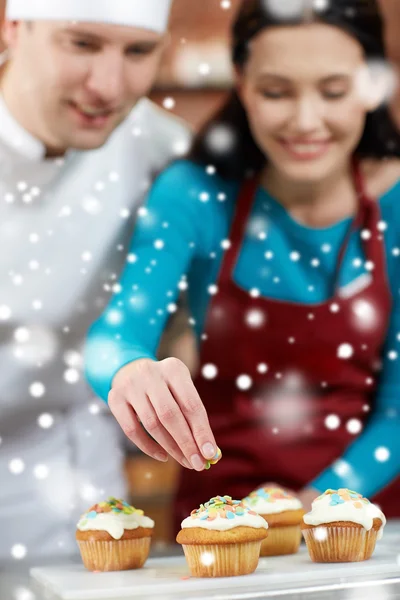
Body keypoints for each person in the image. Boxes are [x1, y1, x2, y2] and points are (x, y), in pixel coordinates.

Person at [85, 0, 400, 532]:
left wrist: (319, 499)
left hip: (363, 527)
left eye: (334, 91)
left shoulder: (395, 204)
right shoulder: (194, 196)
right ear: (241, 80)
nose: (306, 121)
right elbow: (117, 332)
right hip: (219, 524)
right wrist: (128, 371)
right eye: (276, 92)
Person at [0, 0, 191, 560]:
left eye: (138, 51)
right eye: (81, 43)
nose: (108, 86)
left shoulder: (165, 152)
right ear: (12, 24)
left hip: (71, 493)